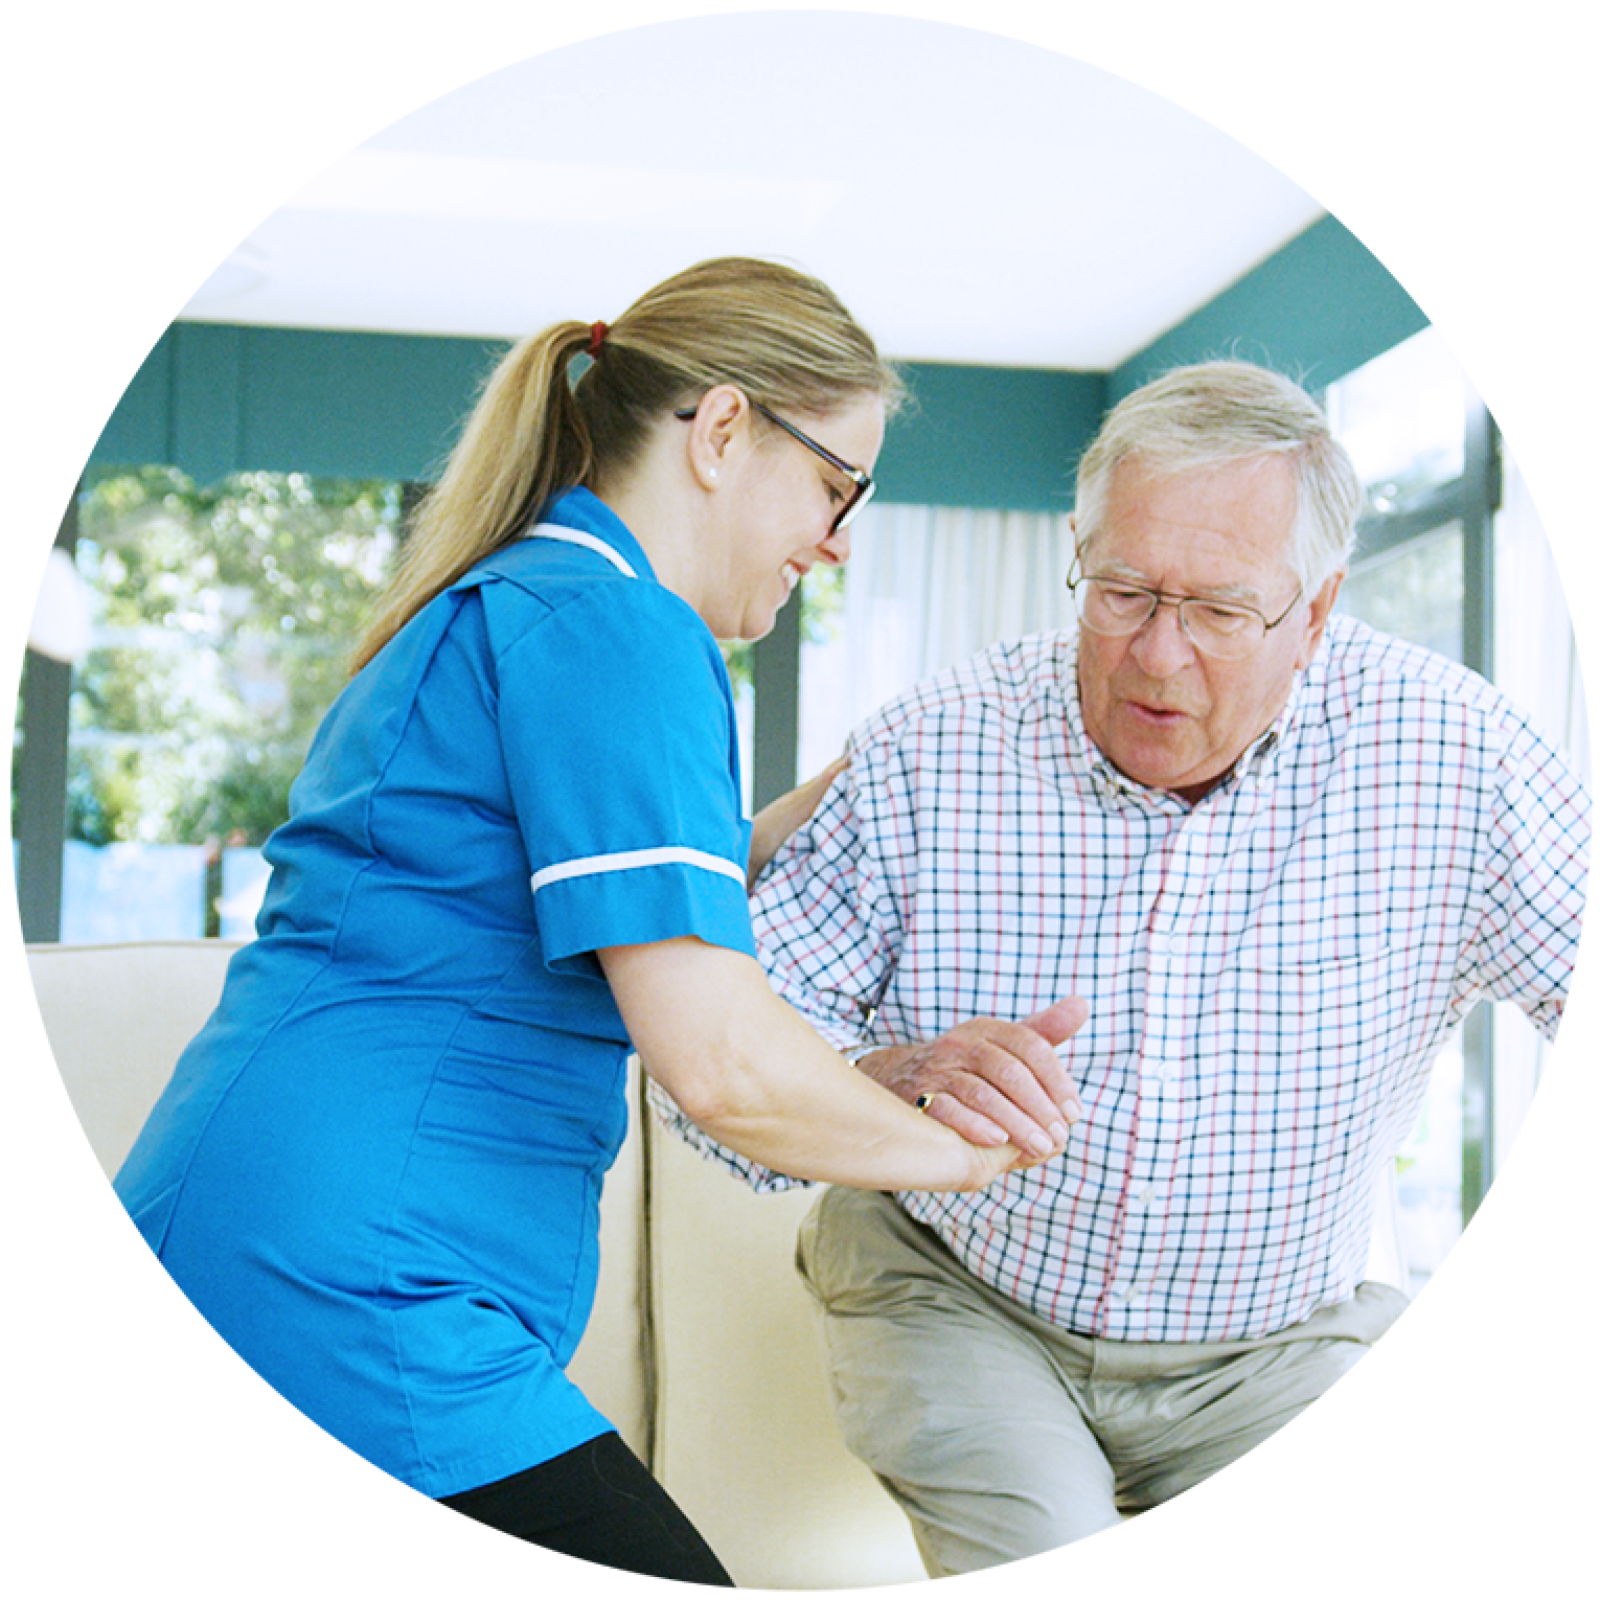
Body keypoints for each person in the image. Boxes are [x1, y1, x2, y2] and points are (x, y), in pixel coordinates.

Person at [110, 257, 1076, 1587]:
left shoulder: (540, 596)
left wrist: (873, 777)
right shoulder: (619, 628)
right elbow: (723, 1067)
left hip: (281, 1235)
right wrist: (980, 1168)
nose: (840, 539)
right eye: (835, 486)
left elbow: (617, 885)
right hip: (353, 1286)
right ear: (724, 431)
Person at [657, 359, 1592, 1576]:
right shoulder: (935, 746)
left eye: (1217, 610)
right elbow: (722, 1087)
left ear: (1314, 615)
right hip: (957, 1297)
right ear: (1076, 556)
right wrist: (893, 1076)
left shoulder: (1455, 757)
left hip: (1276, 1352)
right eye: (1123, 592)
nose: (1156, 655)